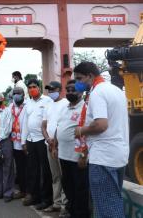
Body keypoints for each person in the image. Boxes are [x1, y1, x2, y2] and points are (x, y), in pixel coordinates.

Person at [73, 61, 129, 218]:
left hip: (103, 158)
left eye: (79, 79)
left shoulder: (97, 93)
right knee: (112, 201)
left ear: (90, 76)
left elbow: (101, 124)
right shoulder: (116, 91)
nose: (77, 83)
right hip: (118, 155)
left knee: (107, 208)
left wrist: (81, 130)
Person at [54, 80, 90, 218]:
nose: (69, 92)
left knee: (80, 189)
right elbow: (59, 127)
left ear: (81, 92)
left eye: (73, 90)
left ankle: (80, 215)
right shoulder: (65, 108)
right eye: (67, 90)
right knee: (68, 187)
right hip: (63, 155)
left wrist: (83, 155)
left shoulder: (85, 109)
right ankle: (72, 212)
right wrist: (54, 146)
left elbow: (87, 135)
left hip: (77, 157)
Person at [21, 79, 53, 210]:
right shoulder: (27, 103)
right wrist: (23, 141)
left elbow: (51, 120)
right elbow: (25, 123)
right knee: (32, 169)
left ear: (39, 88)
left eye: (34, 87)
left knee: (45, 171)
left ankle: (46, 199)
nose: (32, 89)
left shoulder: (47, 101)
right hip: (31, 140)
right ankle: (34, 196)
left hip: (43, 140)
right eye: (30, 87)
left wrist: (50, 139)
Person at [41, 81, 68, 214]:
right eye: (48, 90)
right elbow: (43, 125)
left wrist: (55, 143)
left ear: (59, 89)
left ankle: (64, 206)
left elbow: (62, 125)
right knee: (55, 176)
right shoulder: (48, 105)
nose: (50, 92)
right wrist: (47, 139)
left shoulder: (66, 104)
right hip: (49, 145)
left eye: (52, 89)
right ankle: (56, 203)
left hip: (60, 146)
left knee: (64, 176)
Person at [8, 87, 28, 200]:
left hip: (26, 142)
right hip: (14, 142)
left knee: (28, 168)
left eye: (19, 93)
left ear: (23, 94)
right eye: (14, 93)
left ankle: (29, 190)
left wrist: (25, 141)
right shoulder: (10, 106)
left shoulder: (28, 105)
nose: (16, 95)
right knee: (19, 168)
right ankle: (22, 190)